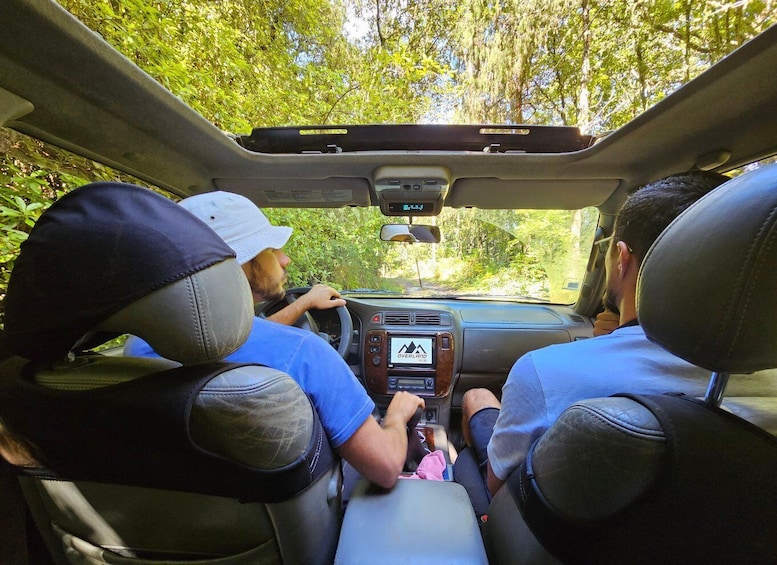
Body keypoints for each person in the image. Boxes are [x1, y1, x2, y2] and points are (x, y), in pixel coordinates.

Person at [453, 170, 730, 516]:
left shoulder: (543, 371)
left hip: (547, 545)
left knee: (477, 401)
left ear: (622, 259)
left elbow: (499, 487)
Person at [126, 191, 424, 489]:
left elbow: (244, 337)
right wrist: (396, 416)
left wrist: (303, 304)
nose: (285, 258)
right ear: (236, 265)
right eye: (270, 249)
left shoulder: (136, 351)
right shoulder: (307, 353)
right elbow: (386, 468)